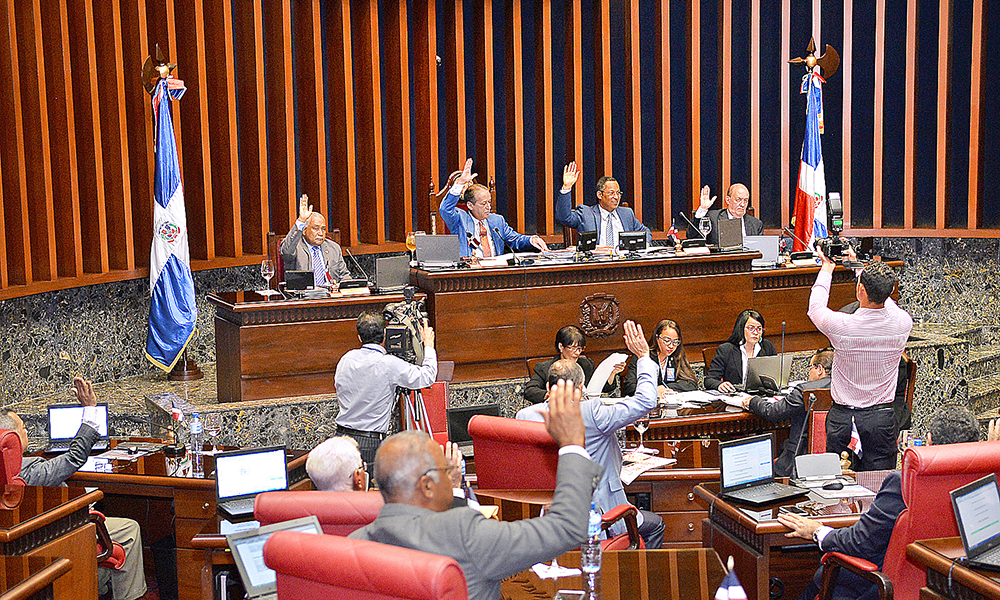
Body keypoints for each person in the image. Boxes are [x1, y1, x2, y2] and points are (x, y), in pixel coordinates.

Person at [350, 379, 604, 600]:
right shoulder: (463, 533)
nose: (450, 478)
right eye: (445, 472)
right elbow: (567, 527)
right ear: (427, 486)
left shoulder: (355, 545)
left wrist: (456, 490)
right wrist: (572, 443)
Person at [777, 404, 982, 600]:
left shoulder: (904, 483)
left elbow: (859, 542)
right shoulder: (985, 483)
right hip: (949, 585)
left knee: (823, 576)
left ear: (929, 441)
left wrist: (817, 531)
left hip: (877, 585)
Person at [516, 321, 665, 549]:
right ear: (581, 387)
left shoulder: (525, 416)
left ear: (548, 387)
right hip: (599, 517)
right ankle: (636, 579)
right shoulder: (592, 412)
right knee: (656, 524)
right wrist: (644, 356)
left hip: (550, 519)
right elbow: (645, 401)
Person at [0, 378, 146, 600]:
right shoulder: (23, 476)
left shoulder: (8, 471)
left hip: (46, 532)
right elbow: (74, 457)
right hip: (62, 531)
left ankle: (101, 584)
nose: (27, 432)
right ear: (12, 438)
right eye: (23, 429)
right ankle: (130, 596)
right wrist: (90, 411)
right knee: (131, 530)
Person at [808, 249, 913, 471]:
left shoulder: (843, 326)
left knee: (839, 485)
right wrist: (858, 267)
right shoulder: (903, 323)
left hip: (843, 419)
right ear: (890, 291)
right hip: (881, 420)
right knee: (878, 484)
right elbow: (886, 302)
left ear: (860, 291)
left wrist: (827, 268)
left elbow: (815, 308)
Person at [334, 311, 438, 465]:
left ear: (359, 337)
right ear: (385, 335)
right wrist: (428, 345)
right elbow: (427, 376)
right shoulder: (389, 364)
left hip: (340, 439)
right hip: (368, 444)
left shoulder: (346, 359)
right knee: (368, 487)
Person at [740, 348, 833, 476]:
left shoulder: (804, 390)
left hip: (799, 460)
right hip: (835, 457)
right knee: (783, 445)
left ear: (820, 369)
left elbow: (772, 412)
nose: (809, 372)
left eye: (811, 367)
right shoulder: (844, 387)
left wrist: (753, 401)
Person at [440, 158, 548, 258]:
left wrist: (532, 239)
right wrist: (460, 183)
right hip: (469, 273)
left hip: (495, 271)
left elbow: (515, 239)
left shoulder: (497, 220)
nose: (488, 207)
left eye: (489, 202)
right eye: (483, 204)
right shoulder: (460, 219)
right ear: (470, 205)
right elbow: (445, 209)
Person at [523, 325, 631, 404]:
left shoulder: (586, 365)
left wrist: (612, 373)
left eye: (579, 349)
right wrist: (549, 395)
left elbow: (605, 388)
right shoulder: (546, 367)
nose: (577, 353)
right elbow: (530, 391)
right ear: (561, 347)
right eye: (572, 348)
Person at [555, 162, 652, 247]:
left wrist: (646, 243)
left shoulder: (627, 214)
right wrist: (566, 187)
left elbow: (645, 231)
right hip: (597, 263)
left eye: (618, 193)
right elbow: (563, 217)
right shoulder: (586, 213)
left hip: (623, 262)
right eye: (611, 193)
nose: (616, 197)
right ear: (600, 195)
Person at [279, 194, 350, 287]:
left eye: (323, 229)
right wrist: (301, 220)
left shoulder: (334, 248)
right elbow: (286, 251)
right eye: (315, 228)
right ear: (304, 230)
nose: (321, 233)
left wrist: (345, 287)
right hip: (304, 297)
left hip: (330, 297)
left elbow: (345, 276)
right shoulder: (295, 247)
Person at [705, 309, 777, 393]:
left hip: (762, 397)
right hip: (736, 396)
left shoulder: (767, 346)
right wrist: (719, 385)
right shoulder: (726, 349)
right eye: (751, 328)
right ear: (741, 328)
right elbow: (709, 380)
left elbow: (776, 375)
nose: (755, 332)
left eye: (759, 329)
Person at [686, 184, 763, 246]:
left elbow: (761, 249)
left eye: (745, 200)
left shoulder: (756, 224)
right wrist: (703, 209)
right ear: (728, 200)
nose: (742, 204)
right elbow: (691, 236)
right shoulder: (713, 218)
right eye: (738, 200)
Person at [647, 319, 698, 396]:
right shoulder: (644, 356)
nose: (671, 346)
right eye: (667, 340)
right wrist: (654, 390)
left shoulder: (677, 355)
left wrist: (666, 388)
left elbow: (691, 384)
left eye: (675, 342)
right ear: (657, 338)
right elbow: (630, 387)